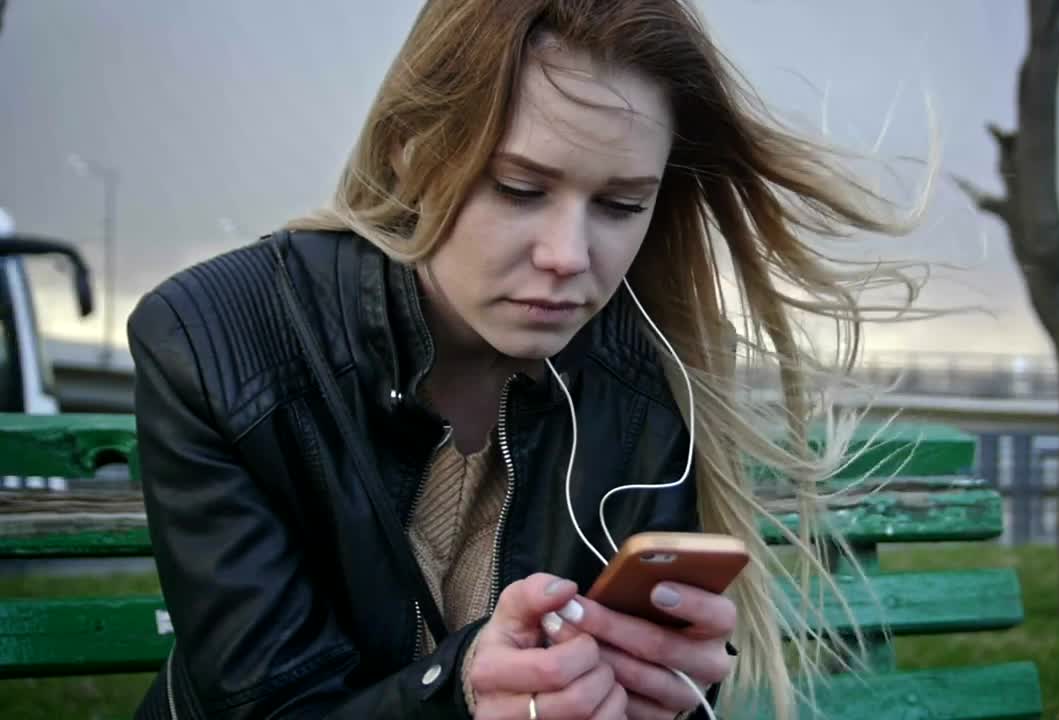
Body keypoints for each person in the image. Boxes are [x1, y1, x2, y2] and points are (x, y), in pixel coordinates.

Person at [128, 1, 931, 718]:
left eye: (622, 205)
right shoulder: (211, 341)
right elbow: (266, 702)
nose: (568, 256)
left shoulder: (648, 368)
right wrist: (466, 694)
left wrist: (662, 698)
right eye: (518, 187)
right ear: (412, 151)